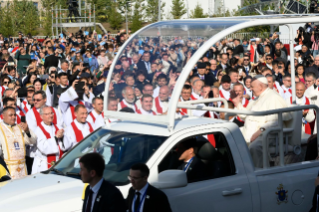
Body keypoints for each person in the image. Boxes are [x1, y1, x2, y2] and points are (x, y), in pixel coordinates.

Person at [232, 75, 292, 168]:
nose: (250, 89)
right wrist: (237, 103)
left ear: (260, 87)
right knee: (232, 138)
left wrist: (260, 131)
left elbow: (276, 121)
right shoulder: (257, 98)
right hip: (252, 131)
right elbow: (246, 115)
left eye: (252, 86)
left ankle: (260, 171)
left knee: (255, 147)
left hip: (269, 132)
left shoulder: (273, 97)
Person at [0, 107, 37, 179]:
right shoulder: (0, 129)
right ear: (3, 116)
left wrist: (27, 131)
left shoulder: (20, 127)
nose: (14, 117)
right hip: (8, 167)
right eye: (11, 115)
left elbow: (32, 141)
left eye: (15, 115)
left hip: (23, 167)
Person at [32, 106, 65, 174]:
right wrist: (56, 137)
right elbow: (43, 147)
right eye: (47, 114)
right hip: (44, 165)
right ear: (41, 116)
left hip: (58, 161)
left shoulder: (58, 127)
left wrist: (62, 137)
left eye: (51, 113)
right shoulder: (38, 130)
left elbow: (67, 145)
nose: (50, 116)